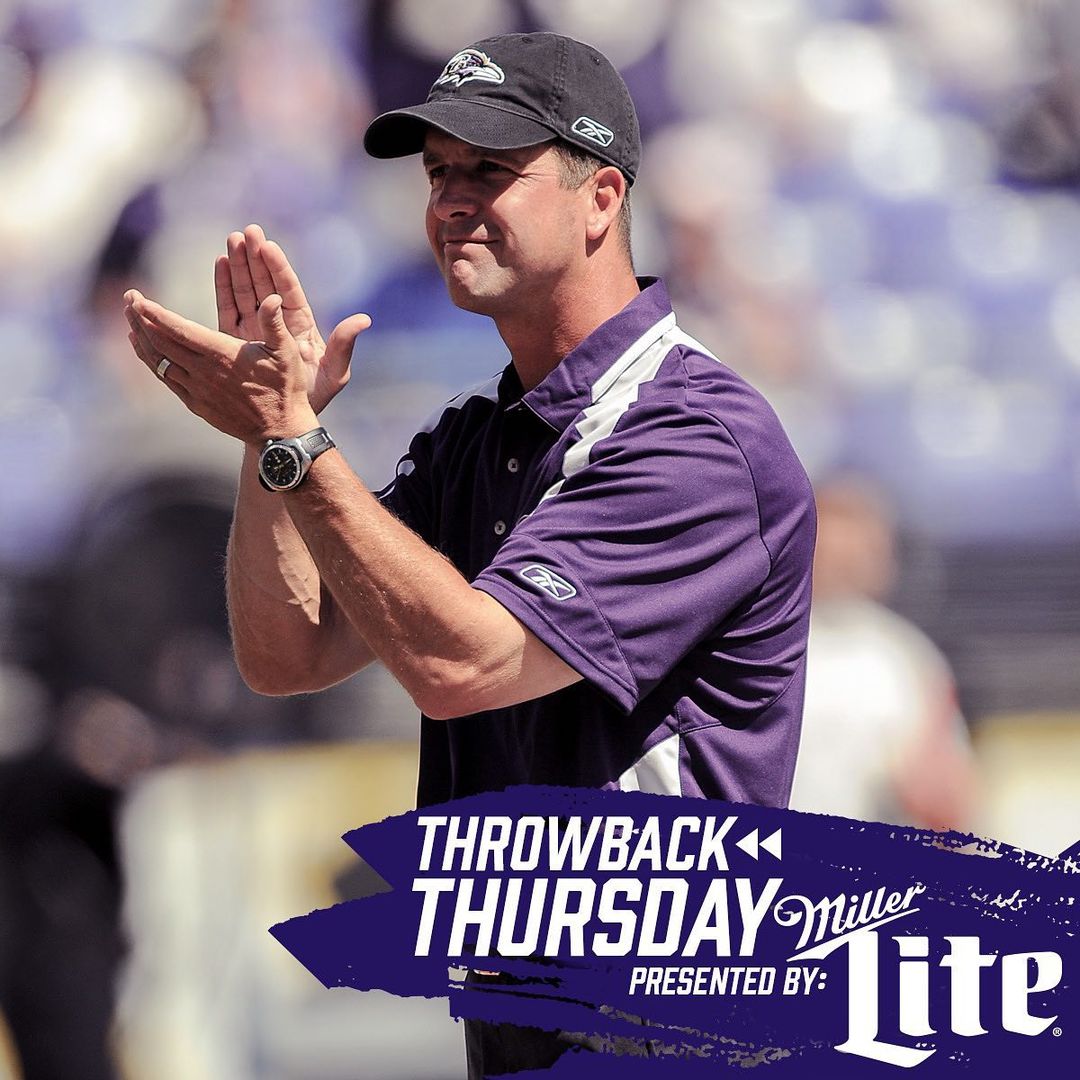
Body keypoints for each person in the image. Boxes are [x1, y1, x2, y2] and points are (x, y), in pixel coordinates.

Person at [124, 32, 816, 1076]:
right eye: (438, 171)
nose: (452, 200)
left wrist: (294, 438)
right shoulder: (478, 438)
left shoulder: (693, 435)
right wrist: (271, 444)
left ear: (601, 197)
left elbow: (464, 664)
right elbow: (287, 656)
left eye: (491, 168)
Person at [788, 477, 977, 829]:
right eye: (831, 552)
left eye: (857, 554)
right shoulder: (754, 644)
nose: (842, 566)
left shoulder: (908, 657)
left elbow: (949, 801)